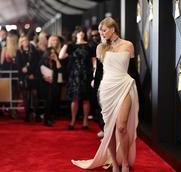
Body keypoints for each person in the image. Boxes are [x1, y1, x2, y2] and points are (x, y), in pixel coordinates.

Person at [71, 17, 139, 172]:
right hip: (107, 89)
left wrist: (140, 94)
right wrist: (95, 93)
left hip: (125, 85)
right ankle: (115, 164)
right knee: (109, 129)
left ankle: (126, 163)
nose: (101, 33)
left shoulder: (128, 45)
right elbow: (99, 73)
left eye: (104, 30)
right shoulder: (100, 48)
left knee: (121, 127)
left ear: (113, 29)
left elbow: (133, 71)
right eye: (100, 30)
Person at [59, 26, 94, 130]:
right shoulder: (71, 46)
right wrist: (66, 44)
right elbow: (61, 56)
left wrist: (95, 74)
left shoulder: (89, 46)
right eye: (79, 32)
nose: (81, 33)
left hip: (86, 75)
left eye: (83, 32)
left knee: (86, 100)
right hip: (74, 75)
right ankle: (73, 120)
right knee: (74, 99)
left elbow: (94, 61)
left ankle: (85, 121)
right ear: (75, 34)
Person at [39, 47, 63, 126]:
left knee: (52, 102)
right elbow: (38, 72)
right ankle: (46, 120)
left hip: (53, 84)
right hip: (45, 84)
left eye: (54, 52)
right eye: (51, 52)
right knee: (47, 102)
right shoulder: (42, 61)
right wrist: (44, 77)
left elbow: (59, 69)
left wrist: (56, 60)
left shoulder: (54, 61)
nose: (53, 54)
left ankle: (49, 118)